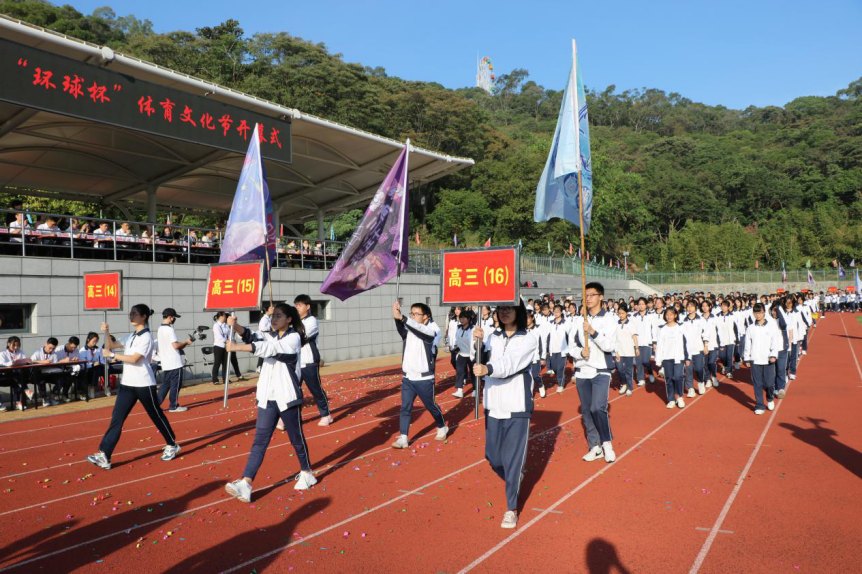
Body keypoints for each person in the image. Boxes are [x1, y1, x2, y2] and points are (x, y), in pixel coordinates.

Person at [223, 304, 317, 503]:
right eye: (273, 316)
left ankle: (307, 472)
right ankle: (246, 482)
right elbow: (253, 336)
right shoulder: (270, 335)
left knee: (296, 439)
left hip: (287, 397)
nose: (274, 319)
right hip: (267, 397)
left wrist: (237, 347)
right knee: (260, 440)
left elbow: (270, 350)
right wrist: (236, 326)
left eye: (279, 316)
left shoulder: (293, 339)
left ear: (289, 319)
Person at [86, 304, 181, 470]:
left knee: (156, 415)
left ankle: (172, 444)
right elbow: (111, 345)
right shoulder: (131, 336)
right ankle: (104, 454)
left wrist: (113, 355)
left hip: (144, 384)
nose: (131, 316)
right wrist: (106, 332)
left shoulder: (146, 338)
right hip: (127, 385)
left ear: (144, 316)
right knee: (117, 418)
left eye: (135, 314)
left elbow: (135, 358)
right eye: (131, 313)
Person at [472, 300, 537, 529]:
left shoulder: (527, 338)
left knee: (512, 460)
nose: (505, 312)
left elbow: (510, 364)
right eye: (501, 308)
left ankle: (511, 508)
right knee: (493, 457)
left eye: (509, 308)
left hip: (516, 406)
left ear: (518, 312)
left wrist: (488, 369)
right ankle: (514, 478)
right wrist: (477, 343)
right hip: (493, 405)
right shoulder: (492, 336)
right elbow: (479, 358)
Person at [567, 282, 619, 464]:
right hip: (582, 370)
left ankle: (607, 444)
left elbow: (609, 346)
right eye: (586, 295)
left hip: (601, 370)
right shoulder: (578, 320)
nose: (588, 298)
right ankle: (594, 447)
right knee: (587, 412)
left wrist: (593, 332)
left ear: (601, 297)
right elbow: (570, 347)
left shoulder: (610, 319)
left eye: (592, 295)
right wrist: (580, 352)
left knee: (598, 407)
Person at [391, 300, 447, 448]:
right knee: (405, 407)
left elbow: (417, 328)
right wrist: (396, 316)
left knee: (431, 406)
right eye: (412, 313)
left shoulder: (430, 332)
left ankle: (442, 425)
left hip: (424, 379)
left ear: (426, 317)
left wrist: (403, 318)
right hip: (408, 378)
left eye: (417, 314)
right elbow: (402, 327)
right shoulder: (408, 331)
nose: (414, 316)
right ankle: (403, 437)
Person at [294, 294, 332, 426]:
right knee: (294, 391)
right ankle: (293, 418)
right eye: (296, 305)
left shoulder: (312, 321)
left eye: (300, 305)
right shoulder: (292, 322)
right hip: (295, 363)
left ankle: (326, 415)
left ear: (308, 307)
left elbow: (301, 336)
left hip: (309, 361)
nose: (297, 307)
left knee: (316, 390)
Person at [744, 303, 781, 415]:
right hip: (755, 359)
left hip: (768, 359)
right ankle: (759, 405)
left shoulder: (772, 326)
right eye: (755, 312)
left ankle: (769, 398)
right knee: (757, 384)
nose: (758, 315)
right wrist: (747, 358)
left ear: (764, 312)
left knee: (769, 384)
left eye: (759, 312)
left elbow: (775, 342)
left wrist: (773, 355)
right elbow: (747, 344)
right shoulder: (750, 328)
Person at [157, 308, 195, 413]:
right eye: (174, 317)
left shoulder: (160, 329)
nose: (174, 319)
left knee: (165, 384)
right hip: (174, 362)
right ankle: (173, 406)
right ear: (171, 318)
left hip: (166, 362)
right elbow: (176, 346)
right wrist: (186, 343)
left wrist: (184, 344)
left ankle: (155, 405)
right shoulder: (170, 329)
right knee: (175, 385)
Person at [655, 307, 688, 409]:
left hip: (679, 357)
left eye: (671, 314)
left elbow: (686, 343)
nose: (669, 316)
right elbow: (660, 345)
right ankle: (671, 399)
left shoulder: (681, 327)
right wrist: (658, 359)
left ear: (675, 315)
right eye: (667, 314)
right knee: (669, 379)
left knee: (678, 377)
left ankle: (679, 397)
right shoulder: (662, 329)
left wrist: (688, 357)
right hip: (666, 358)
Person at [681, 301, 709, 396]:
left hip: (698, 348)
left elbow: (705, 333)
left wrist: (705, 346)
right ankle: (690, 388)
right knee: (688, 369)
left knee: (698, 368)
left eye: (692, 306)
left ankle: (701, 382)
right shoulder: (683, 321)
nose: (689, 308)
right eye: (688, 306)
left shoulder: (701, 320)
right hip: (687, 350)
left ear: (696, 308)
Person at [212, 312, 245, 385]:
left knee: (226, 363)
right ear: (220, 316)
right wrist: (227, 341)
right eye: (224, 316)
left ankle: (225, 379)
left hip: (226, 346)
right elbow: (219, 336)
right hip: (218, 346)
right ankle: (215, 379)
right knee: (217, 363)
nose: (225, 317)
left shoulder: (225, 325)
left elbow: (230, 333)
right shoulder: (216, 325)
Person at [614, 303, 638, 397]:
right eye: (619, 313)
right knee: (620, 369)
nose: (621, 315)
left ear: (626, 313)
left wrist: (636, 348)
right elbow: (614, 338)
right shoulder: (616, 324)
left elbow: (634, 336)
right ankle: (624, 384)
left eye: (623, 313)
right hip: (619, 351)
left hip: (629, 351)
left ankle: (629, 387)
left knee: (628, 370)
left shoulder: (631, 324)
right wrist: (615, 351)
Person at [451, 309, 476, 398]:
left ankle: (475, 389)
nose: (461, 320)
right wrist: (456, 347)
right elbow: (457, 339)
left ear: (469, 319)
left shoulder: (473, 329)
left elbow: (475, 342)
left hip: (471, 354)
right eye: (460, 318)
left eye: (464, 318)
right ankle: (459, 390)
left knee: (473, 373)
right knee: (460, 371)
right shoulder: (459, 328)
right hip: (462, 354)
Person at [0, 336, 29, 411]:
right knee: (19, 381)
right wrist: (12, 363)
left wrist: (25, 361)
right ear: (8, 344)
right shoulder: (2, 354)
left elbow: (24, 360)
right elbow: (2, 363)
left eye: (18, 345)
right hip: (5, 376)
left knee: (18, 382)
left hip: (17, 375)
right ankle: (26, 390)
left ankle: (18, 402)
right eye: (14, 345)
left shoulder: (20, 352)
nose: (16, 347)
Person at [547, 304, 571, 392]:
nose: (556, 313)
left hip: (562, 350)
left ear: (561, 312)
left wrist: (569, 348)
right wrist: (547, 349)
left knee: (560, 368)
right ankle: (560, 377)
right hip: (553, 349)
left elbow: (570, 336)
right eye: (555, 311)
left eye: (558, 311)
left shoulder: (566, 323)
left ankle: (560, 384)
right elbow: (548, 336)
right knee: (554, 368)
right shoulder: (551, 323)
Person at [632, 298, 654, 386]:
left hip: (647, 342)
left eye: (643, 304)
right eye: (639, 304)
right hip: (637, 342)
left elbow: (654, 330)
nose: (641, 306)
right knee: (638, 361)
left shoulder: (651, 316)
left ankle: (650, 373)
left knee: (646, 360)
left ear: (646, 305)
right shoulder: (634, 316)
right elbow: (632, 330)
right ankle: (641, 378)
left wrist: (654, 342)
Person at [77, 332, 104, 400]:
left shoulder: (98, 349)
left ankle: (94, 388)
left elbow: (102, 359)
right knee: (94, 370)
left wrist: (99, 362)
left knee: (102, 369)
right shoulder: (82, 350)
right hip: (87, 368)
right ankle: (90, 388)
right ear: (88, 340)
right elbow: (83, 364)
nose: (95, 343)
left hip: (97, 366)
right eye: (93, 341)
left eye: (96, 341)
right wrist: (92, 364)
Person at [55, 336, 81, 402]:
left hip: (70, 368)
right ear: (68, 343)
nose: (73, 349)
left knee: (75, 374)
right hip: (59, 368)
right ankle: (59, 394)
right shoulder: (59, 349)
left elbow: (77, 360)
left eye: (75, 347)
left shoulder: (76, 351)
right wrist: (63, 360)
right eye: (72, 347)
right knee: (67, 376)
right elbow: (54, 361)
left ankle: (69, 393)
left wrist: (76, 360)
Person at [256, 305, 274, 373]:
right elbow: (262, 328)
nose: (272, 309)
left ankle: (261, 366)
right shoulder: (264, 318)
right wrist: (270, 329)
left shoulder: (269, 318)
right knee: (263, 352)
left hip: (268, 337)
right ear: (267, 310)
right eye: (270, 308)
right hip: (265, 337)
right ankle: (259, 367)